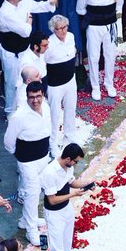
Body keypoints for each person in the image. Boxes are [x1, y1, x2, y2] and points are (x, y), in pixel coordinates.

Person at [0, 0, 58, 115]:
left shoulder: (23, 2)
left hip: (25, 51)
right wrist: (28, 22)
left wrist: (51, 2)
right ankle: (10, 112)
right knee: (12, 83)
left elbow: (38, 6)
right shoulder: (5, 12)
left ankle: (31, 106)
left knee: (30, 78)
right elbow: (25, 31)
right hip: (11, 53)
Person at [3, 81, 52, 244]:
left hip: (43, 157)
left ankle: (26, 219)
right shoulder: (19, 116)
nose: (35, 100)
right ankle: (31, 231)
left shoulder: (46, 107)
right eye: (32, 97)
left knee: (38, 191)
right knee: (31, 194)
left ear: (43, 95)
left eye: (38, 96)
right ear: (27, 97)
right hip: (27, 161)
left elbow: (48, 128)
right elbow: (8, 142)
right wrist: (20, 156)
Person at [41, 143, 90, 251]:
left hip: (66, 210)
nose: (76, 164)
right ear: (68, 158)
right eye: (75, 161)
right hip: (54, 213)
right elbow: (52, 200)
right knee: (57, 250)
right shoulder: (49, 172)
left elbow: (71, 182)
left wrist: (87, 185)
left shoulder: (68, 167)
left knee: (67, 243)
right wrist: (73, 194)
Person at [75, 0, 122, 99]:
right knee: (93, 57)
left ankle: (109, 84)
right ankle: (95, 87)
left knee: (110, 55)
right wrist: (93, 18)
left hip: (110, 26)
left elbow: (119, 5)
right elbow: (80, 9)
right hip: (94, 28)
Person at [43, 15, 78, 150]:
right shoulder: (49, 44)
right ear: (53, 30)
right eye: (59, 28)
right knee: (54, 113)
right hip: (55, 84)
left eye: (65, 27)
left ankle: (69, 135)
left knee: (70, 108)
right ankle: (52, 142)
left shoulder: (71, 37)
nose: (63, 31)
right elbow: (43, 62)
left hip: (70, 80)